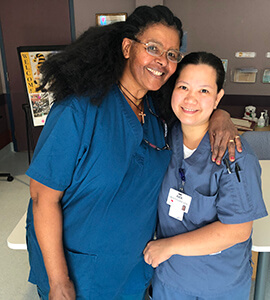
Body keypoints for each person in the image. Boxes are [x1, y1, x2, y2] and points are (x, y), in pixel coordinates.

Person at [25, 6, 242, 300]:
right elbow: (42, 198)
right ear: (127, 48)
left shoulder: (157, 114)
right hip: (79, 272)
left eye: (171, 54)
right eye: (153, 48)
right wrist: (59, 281)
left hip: (133, 269)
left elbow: (197, 103)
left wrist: (220, 116)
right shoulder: (78, 112)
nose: (162, 62)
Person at [143, 52, 268, 300]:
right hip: (170, 278)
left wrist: (168, 246)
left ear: (218, 98)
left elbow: (237, 231)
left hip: (218, 284)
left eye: (204, 91)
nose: (191, 98)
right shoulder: (165, 137)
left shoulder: (235, 155)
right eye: (184, 87)